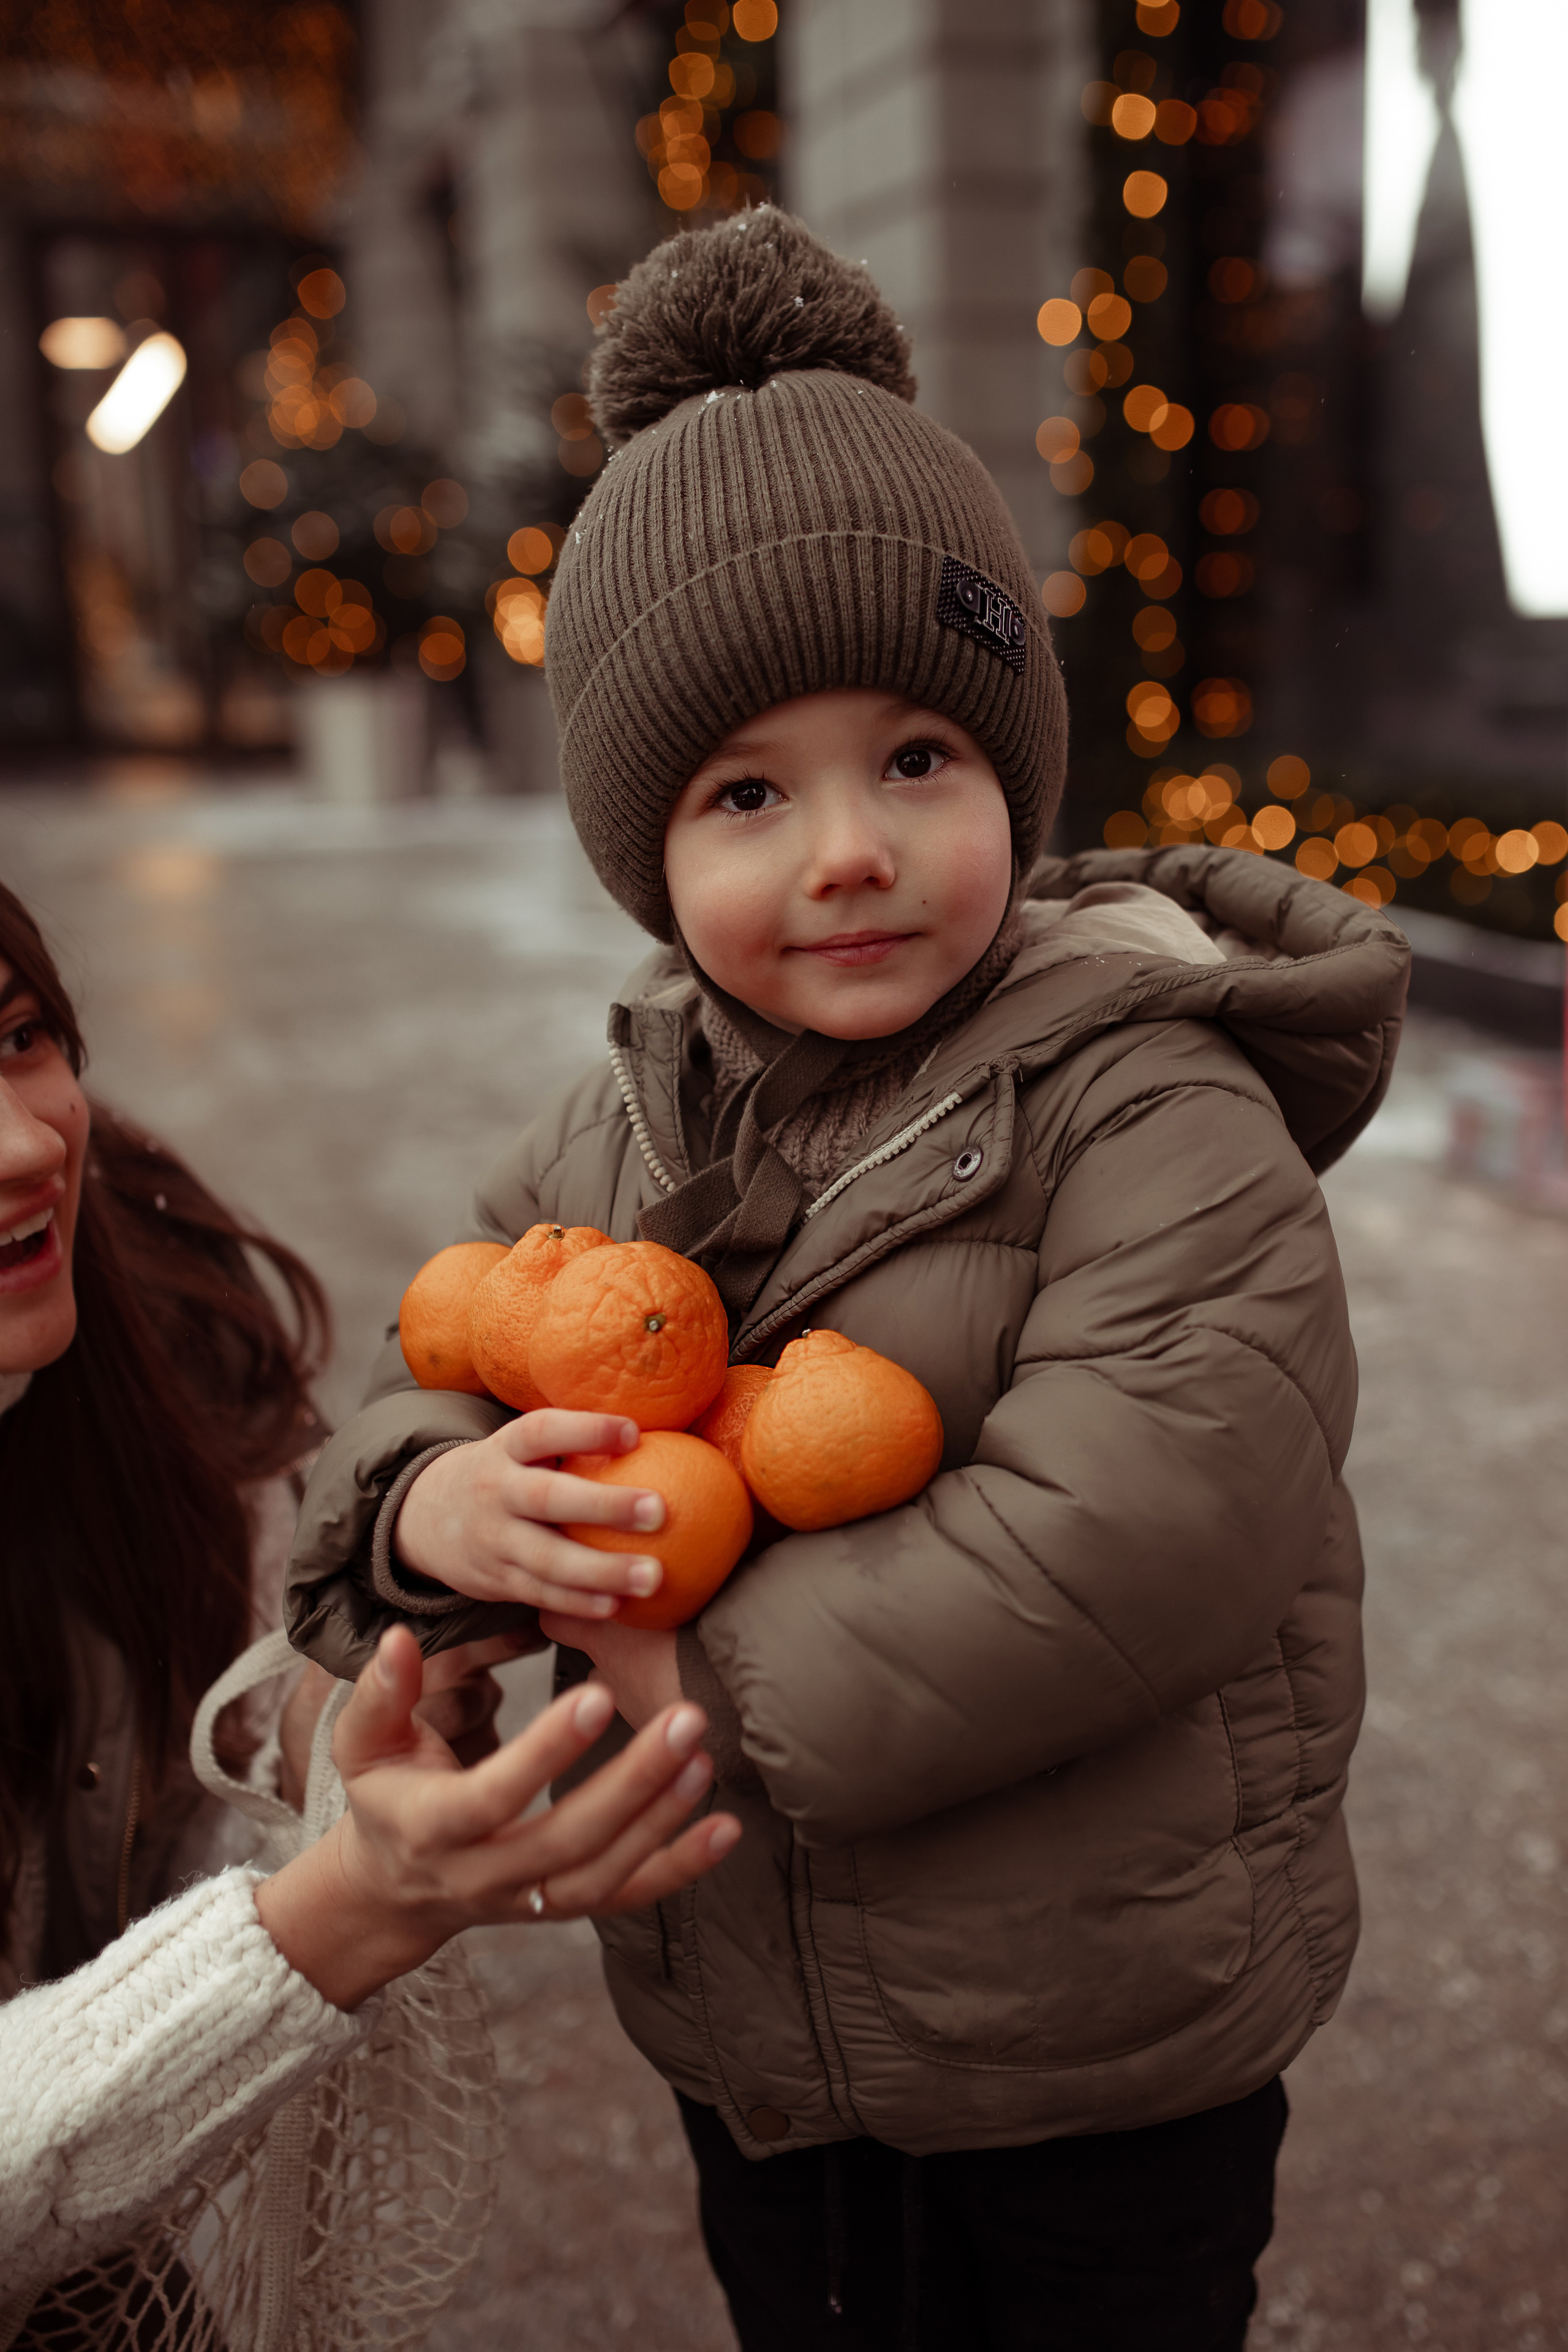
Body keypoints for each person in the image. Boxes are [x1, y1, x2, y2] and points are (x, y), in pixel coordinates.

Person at [284, 211, 1411, 2350]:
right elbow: (461, 1344)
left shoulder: (1151, 1101)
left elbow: (1147, 1519)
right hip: (761, 2046)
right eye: (744, 793)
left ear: (1014, 761)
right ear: (646, 850)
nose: (849, 850)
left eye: (915, 756)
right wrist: (431, 1513)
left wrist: (690, 1696)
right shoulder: (624, 1123)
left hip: (1090, 2041)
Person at [0, 880, 741, 2328]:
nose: (31, 1145)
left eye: (21, 1037)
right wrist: (332, 1916)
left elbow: (220, 1732)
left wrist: (362, 1711)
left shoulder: (151, 1314)